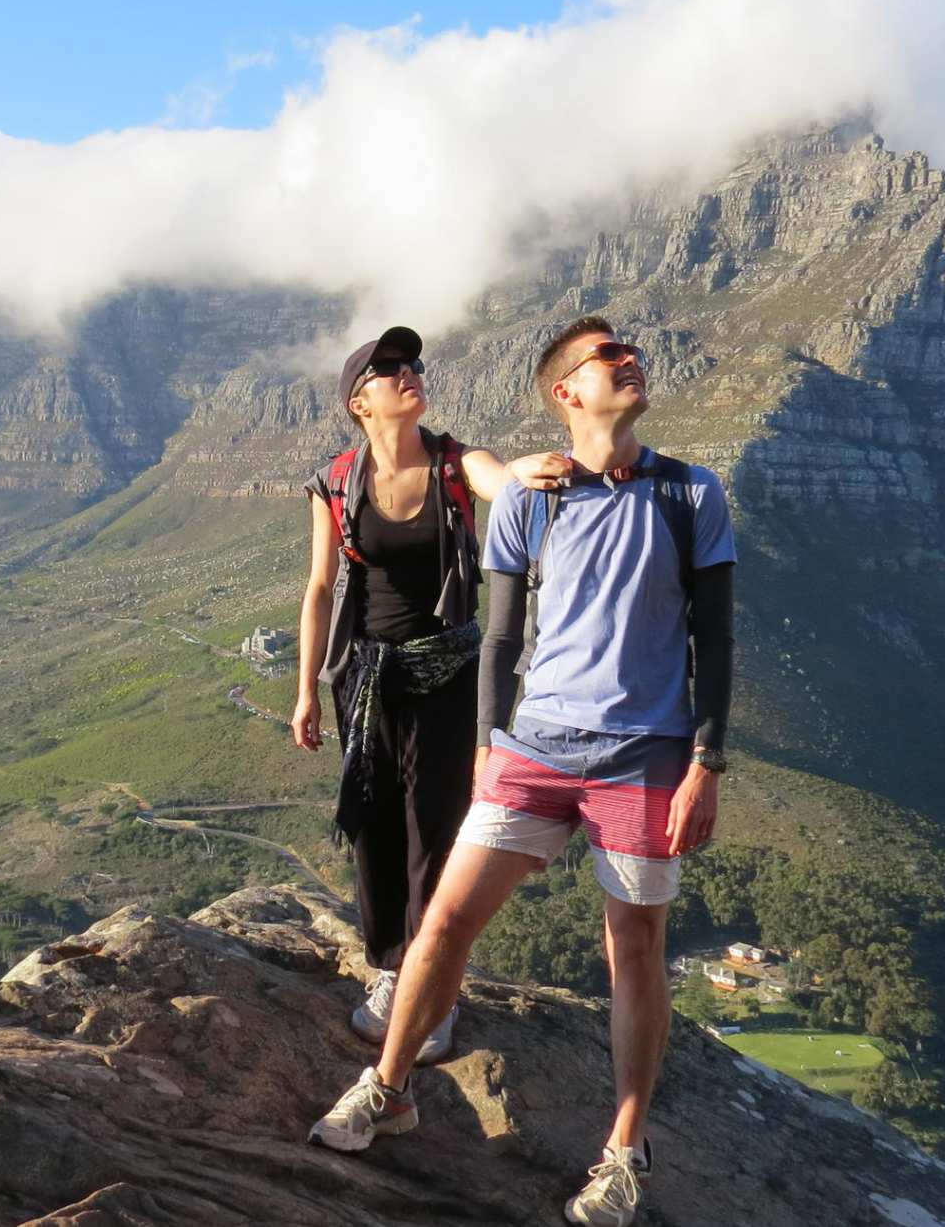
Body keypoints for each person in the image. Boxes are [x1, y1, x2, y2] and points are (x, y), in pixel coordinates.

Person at [307, 315, 737, 1227]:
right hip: (534, 748)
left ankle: (624, 1153)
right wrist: (487, 742)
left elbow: (716, 637)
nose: (631, 360)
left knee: (635, 951)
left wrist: (706, 760)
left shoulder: (692, 493)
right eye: (608, 356)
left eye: (630, 351)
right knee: (445, 920)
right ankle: (389, 1087)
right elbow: (501, 639)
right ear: (566, 390)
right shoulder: (532, 501)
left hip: (644, 757)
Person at [293, 325, 568, 1064]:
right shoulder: (336, 480)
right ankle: (392, 969)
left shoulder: (453, 462)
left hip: (447, 676)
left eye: (412, 363)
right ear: (360, 402)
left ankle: (433, 983)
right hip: (365, 680)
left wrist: (524, 472)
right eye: (388, 368)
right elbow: (319, 588)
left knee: (433, 828)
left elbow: (498, 479)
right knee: (374, 824)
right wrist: (306, 691)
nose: (408, 372)